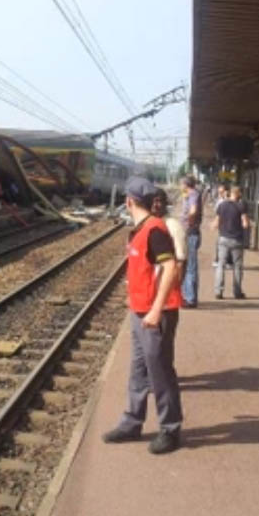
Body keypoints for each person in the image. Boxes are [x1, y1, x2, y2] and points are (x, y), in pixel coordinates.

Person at [102, 176, 183, 455]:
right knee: (138, 370)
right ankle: (132, 421)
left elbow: (171, 268)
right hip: (140, 312)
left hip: (155, 314)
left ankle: (171, 429)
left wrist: (156, 310)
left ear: (129, 201)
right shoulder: (139, 230)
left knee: (160, 371)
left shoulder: (155, 230)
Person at [212, 185, 249, 299]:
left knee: (220, 265)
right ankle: (237, 292)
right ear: (238, 194)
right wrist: (247, 226)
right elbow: (245, 224)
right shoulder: (241, 206)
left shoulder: (222, 205)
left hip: (223, 239)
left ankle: (218, 291)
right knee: (237, 267)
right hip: (237, 240)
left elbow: (216, 223)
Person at [152, 188, 187, 284]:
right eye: (152, 201)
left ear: (165, 204)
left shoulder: (172, 225)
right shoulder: (151, 224)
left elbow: (181, 260)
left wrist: (175, 286)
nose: (155, 205)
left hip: (167, 285)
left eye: (158, 201)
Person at [180, 176, 203, 307]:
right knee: (188, 266)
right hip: (191, 232)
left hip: (190, 233)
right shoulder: (189, 195)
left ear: (186, 184)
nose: (180, 186)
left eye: (181, 184)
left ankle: (190, 299)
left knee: (190, 267)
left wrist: (187, 221)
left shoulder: (193, 194)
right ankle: (188, 296)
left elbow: (193, 210)